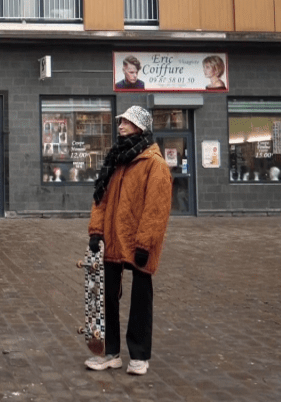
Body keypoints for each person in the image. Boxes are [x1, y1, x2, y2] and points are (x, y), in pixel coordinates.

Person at [85, 106, 172, 376]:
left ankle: (139, 355)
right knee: (107, 297)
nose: (120, 125)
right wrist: (96, 231)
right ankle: (111, 353)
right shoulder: (117, 159)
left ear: (140, 127)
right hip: (113, 239)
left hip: (139, 243)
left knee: (140, 299)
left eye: (127, 121)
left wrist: (145, 244)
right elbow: (101, 198)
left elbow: (156, 209)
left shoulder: (154, 164)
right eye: (121, 121)